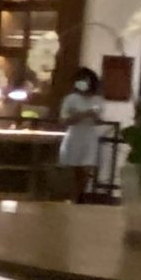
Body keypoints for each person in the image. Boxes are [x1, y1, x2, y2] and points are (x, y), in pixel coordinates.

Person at [58, 65, 106, 198]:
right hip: (74, 136)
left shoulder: (97, 100)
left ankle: (80, 197)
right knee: (73, 169)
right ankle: (72, 197)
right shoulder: (70, 99)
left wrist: (91, 115)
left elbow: (98, 120)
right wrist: (82, 114)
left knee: (86, 168)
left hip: (89, 137)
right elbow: (64, 120)